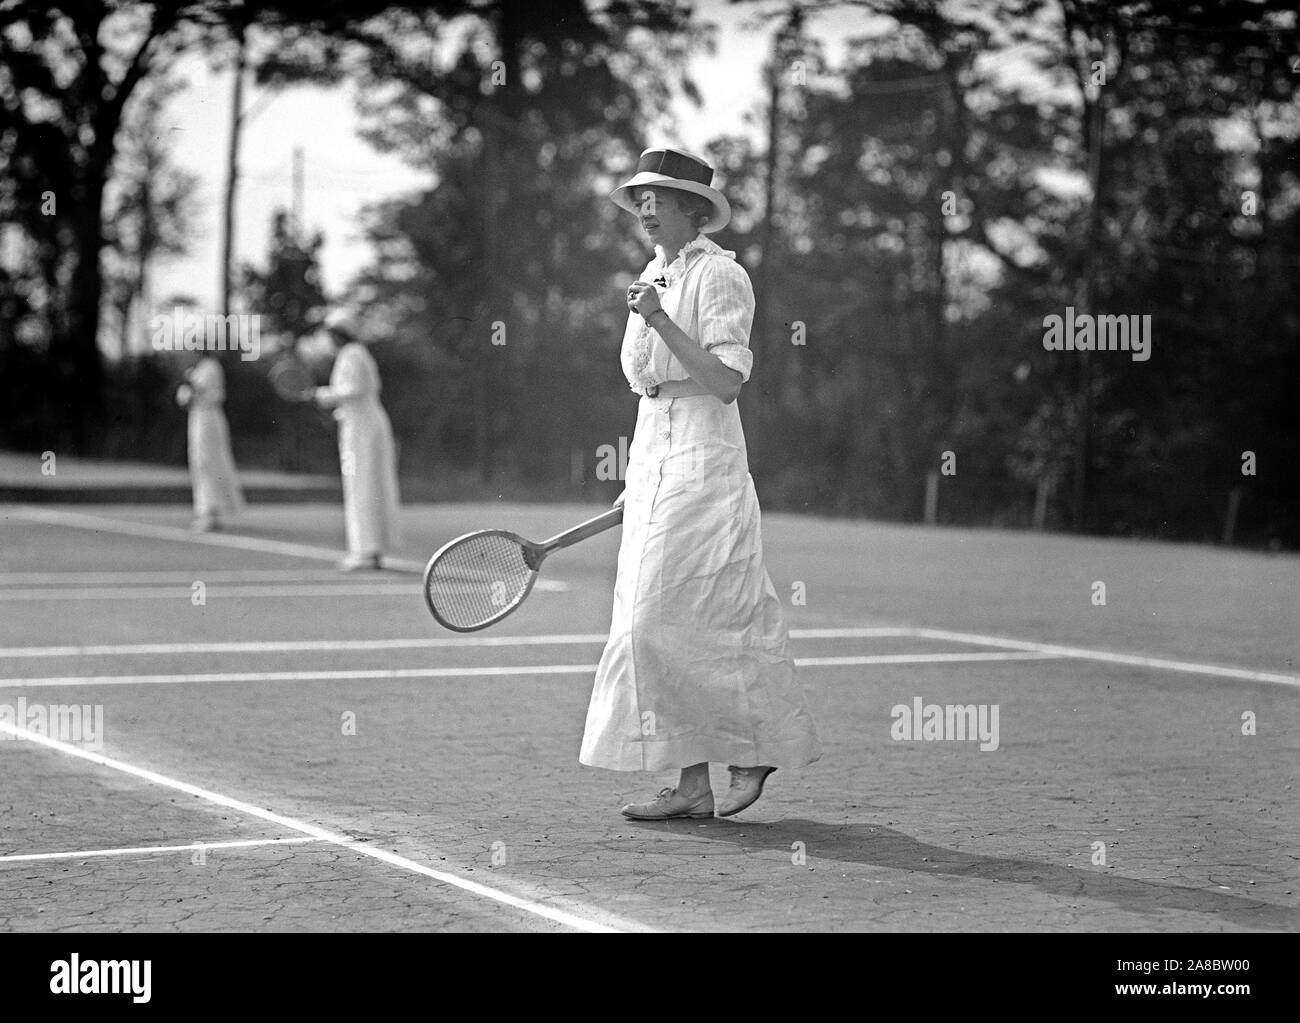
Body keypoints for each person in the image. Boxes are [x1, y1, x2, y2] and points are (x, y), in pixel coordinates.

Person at [580, 146, 822, 819]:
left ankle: (753, 748)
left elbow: (724, 382)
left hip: (708, 457)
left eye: (659, 195)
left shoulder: (720, 276)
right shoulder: (651, 273)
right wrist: (641, 476)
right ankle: (691, 784)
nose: (646, 206)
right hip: (658, 452)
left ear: (695, 208)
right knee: (651, 622)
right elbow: (650, 389)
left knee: (678, 615)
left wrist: (660, 318)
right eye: (640, 197)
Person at [313, 315, 402, 571]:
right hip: (363, 425)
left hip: (362, 431)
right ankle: (370, 549)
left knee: (360, 485)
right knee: (367, 485)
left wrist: (321, 395)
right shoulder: (359, 353)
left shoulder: (351, 354)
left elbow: (353, 389)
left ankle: (364, 551)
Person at [176, 354, 245, 532]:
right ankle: (206, 511)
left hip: (209, 419)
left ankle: (210, 513)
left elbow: (207, 391)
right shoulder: (198, 369)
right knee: (199, 463)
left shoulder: (211, 366)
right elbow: (184, 399)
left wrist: (190, 383)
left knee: (208, 463)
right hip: (197, 418)